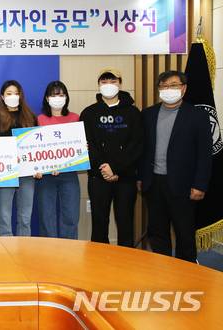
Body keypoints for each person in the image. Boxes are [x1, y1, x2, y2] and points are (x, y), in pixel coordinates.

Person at [138, 71, 211, 262]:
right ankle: (162, 269)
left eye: (173, 85)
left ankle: (187, 270)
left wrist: (200, 184)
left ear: (184, 88)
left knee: (184, 232)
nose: (168, 89)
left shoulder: (197, 115)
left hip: (184, 185)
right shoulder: (148, 114)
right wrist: (141, 177)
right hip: (154, 183)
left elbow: (205, 154)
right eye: (163, 86)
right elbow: (143, 149)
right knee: (157, 231)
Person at [80, 68, 143, 247]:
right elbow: (87, 144)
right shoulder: (89, 113)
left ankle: (126, 260)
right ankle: (99, 260)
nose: (109, 85)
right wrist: (103, 167)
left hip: (126, 178)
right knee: (99, 224)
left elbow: (137, 146)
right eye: (104, 82)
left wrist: (115, 169)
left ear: (120, 84)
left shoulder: (133, 113)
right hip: (98, 177)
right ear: (99, 85)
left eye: (113, 81)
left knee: (125, 223)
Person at [0, 80, 37, 236]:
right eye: (9, 93)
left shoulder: (31, 118)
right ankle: (6, 248)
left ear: (21, 96)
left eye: (16, 93)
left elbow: (37, 146)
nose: (13, 96)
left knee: (25, 218)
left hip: (26, 173)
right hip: (4, 174)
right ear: (2, 97)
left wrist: (38, 166)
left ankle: (24, 247)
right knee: (4, 218)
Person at [35, 81, 81, 239]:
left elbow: (79, 146)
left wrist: (83, 148)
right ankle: (49, 252)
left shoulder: (75, 118)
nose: (58, 98)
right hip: (46, 176)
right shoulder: (39, 119)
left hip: (69, 174)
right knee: (46, 218)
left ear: (66, 97)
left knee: (71, 216)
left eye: (61, 95)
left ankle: (70, 250)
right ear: (47, 98)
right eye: (54, 95)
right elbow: (34, 148)